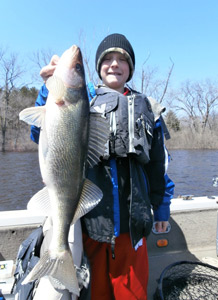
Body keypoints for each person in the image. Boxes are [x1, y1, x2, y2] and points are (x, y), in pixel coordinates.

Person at [30, 33, 174, 300]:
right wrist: (49, 88)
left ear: (130, 68)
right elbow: (42, 134)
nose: (114, 64)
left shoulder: (148, 109)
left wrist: (162, 208)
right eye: (107, 59)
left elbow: (158, 167)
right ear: (98, 67)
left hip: (134, 232)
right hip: (92, 226)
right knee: (96, 294)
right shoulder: (83, 100)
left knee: (133, 294)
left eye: (122, 59)